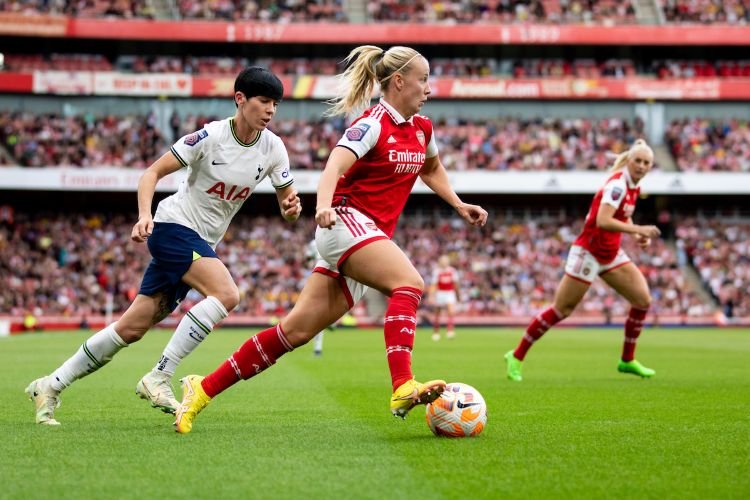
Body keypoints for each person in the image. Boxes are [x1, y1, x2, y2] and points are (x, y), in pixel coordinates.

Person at [173, 45, 488, 433]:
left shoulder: (422, 129)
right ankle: (403, 384)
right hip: (345, 224)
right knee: (410, 283)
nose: (429, 88)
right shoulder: (372, 123)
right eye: (423, 79)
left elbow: (432, 167)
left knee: (295, 332)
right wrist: (323, 206)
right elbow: (335, 163)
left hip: (365, 236)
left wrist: (458, 204)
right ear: (400, 82)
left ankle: (200, 391)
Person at [25, 67, 302, 425]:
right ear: (240, 99)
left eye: (276, 104)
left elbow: (287, 205)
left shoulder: (274, 147)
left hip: (200, 241)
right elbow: (151, 173)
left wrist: (291, 210)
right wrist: (144, 216)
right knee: (227, 294)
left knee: (131, 328)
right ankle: (159, 375)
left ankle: (50, 385)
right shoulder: (209, 137)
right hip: (172, 226)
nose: (270, 110)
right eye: (264, 101)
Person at [504, 139, 661, 382]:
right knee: (561, 310)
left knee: (642, 300)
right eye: (638, 161)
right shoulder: (618, 185)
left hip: (610, 252)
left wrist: (637, 233)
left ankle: (627, 360)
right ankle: (516, 356)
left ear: (651, 166)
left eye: (646, 162)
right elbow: (603, 220)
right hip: (588, 252)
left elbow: (621, 217)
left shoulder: (634, 186)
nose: (641, 166)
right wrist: (638, 228)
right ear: (629, 161)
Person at [428, 254, 460, 341]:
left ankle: (450, 331)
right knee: (437, 313)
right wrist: (431, 295)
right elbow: (434, 285)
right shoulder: (437, 272)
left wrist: (458, 295)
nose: (444, 263)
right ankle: (436, 332)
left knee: (451, 312)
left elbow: (456, 284)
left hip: (449, 293)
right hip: (440, 293)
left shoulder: (452, 271)